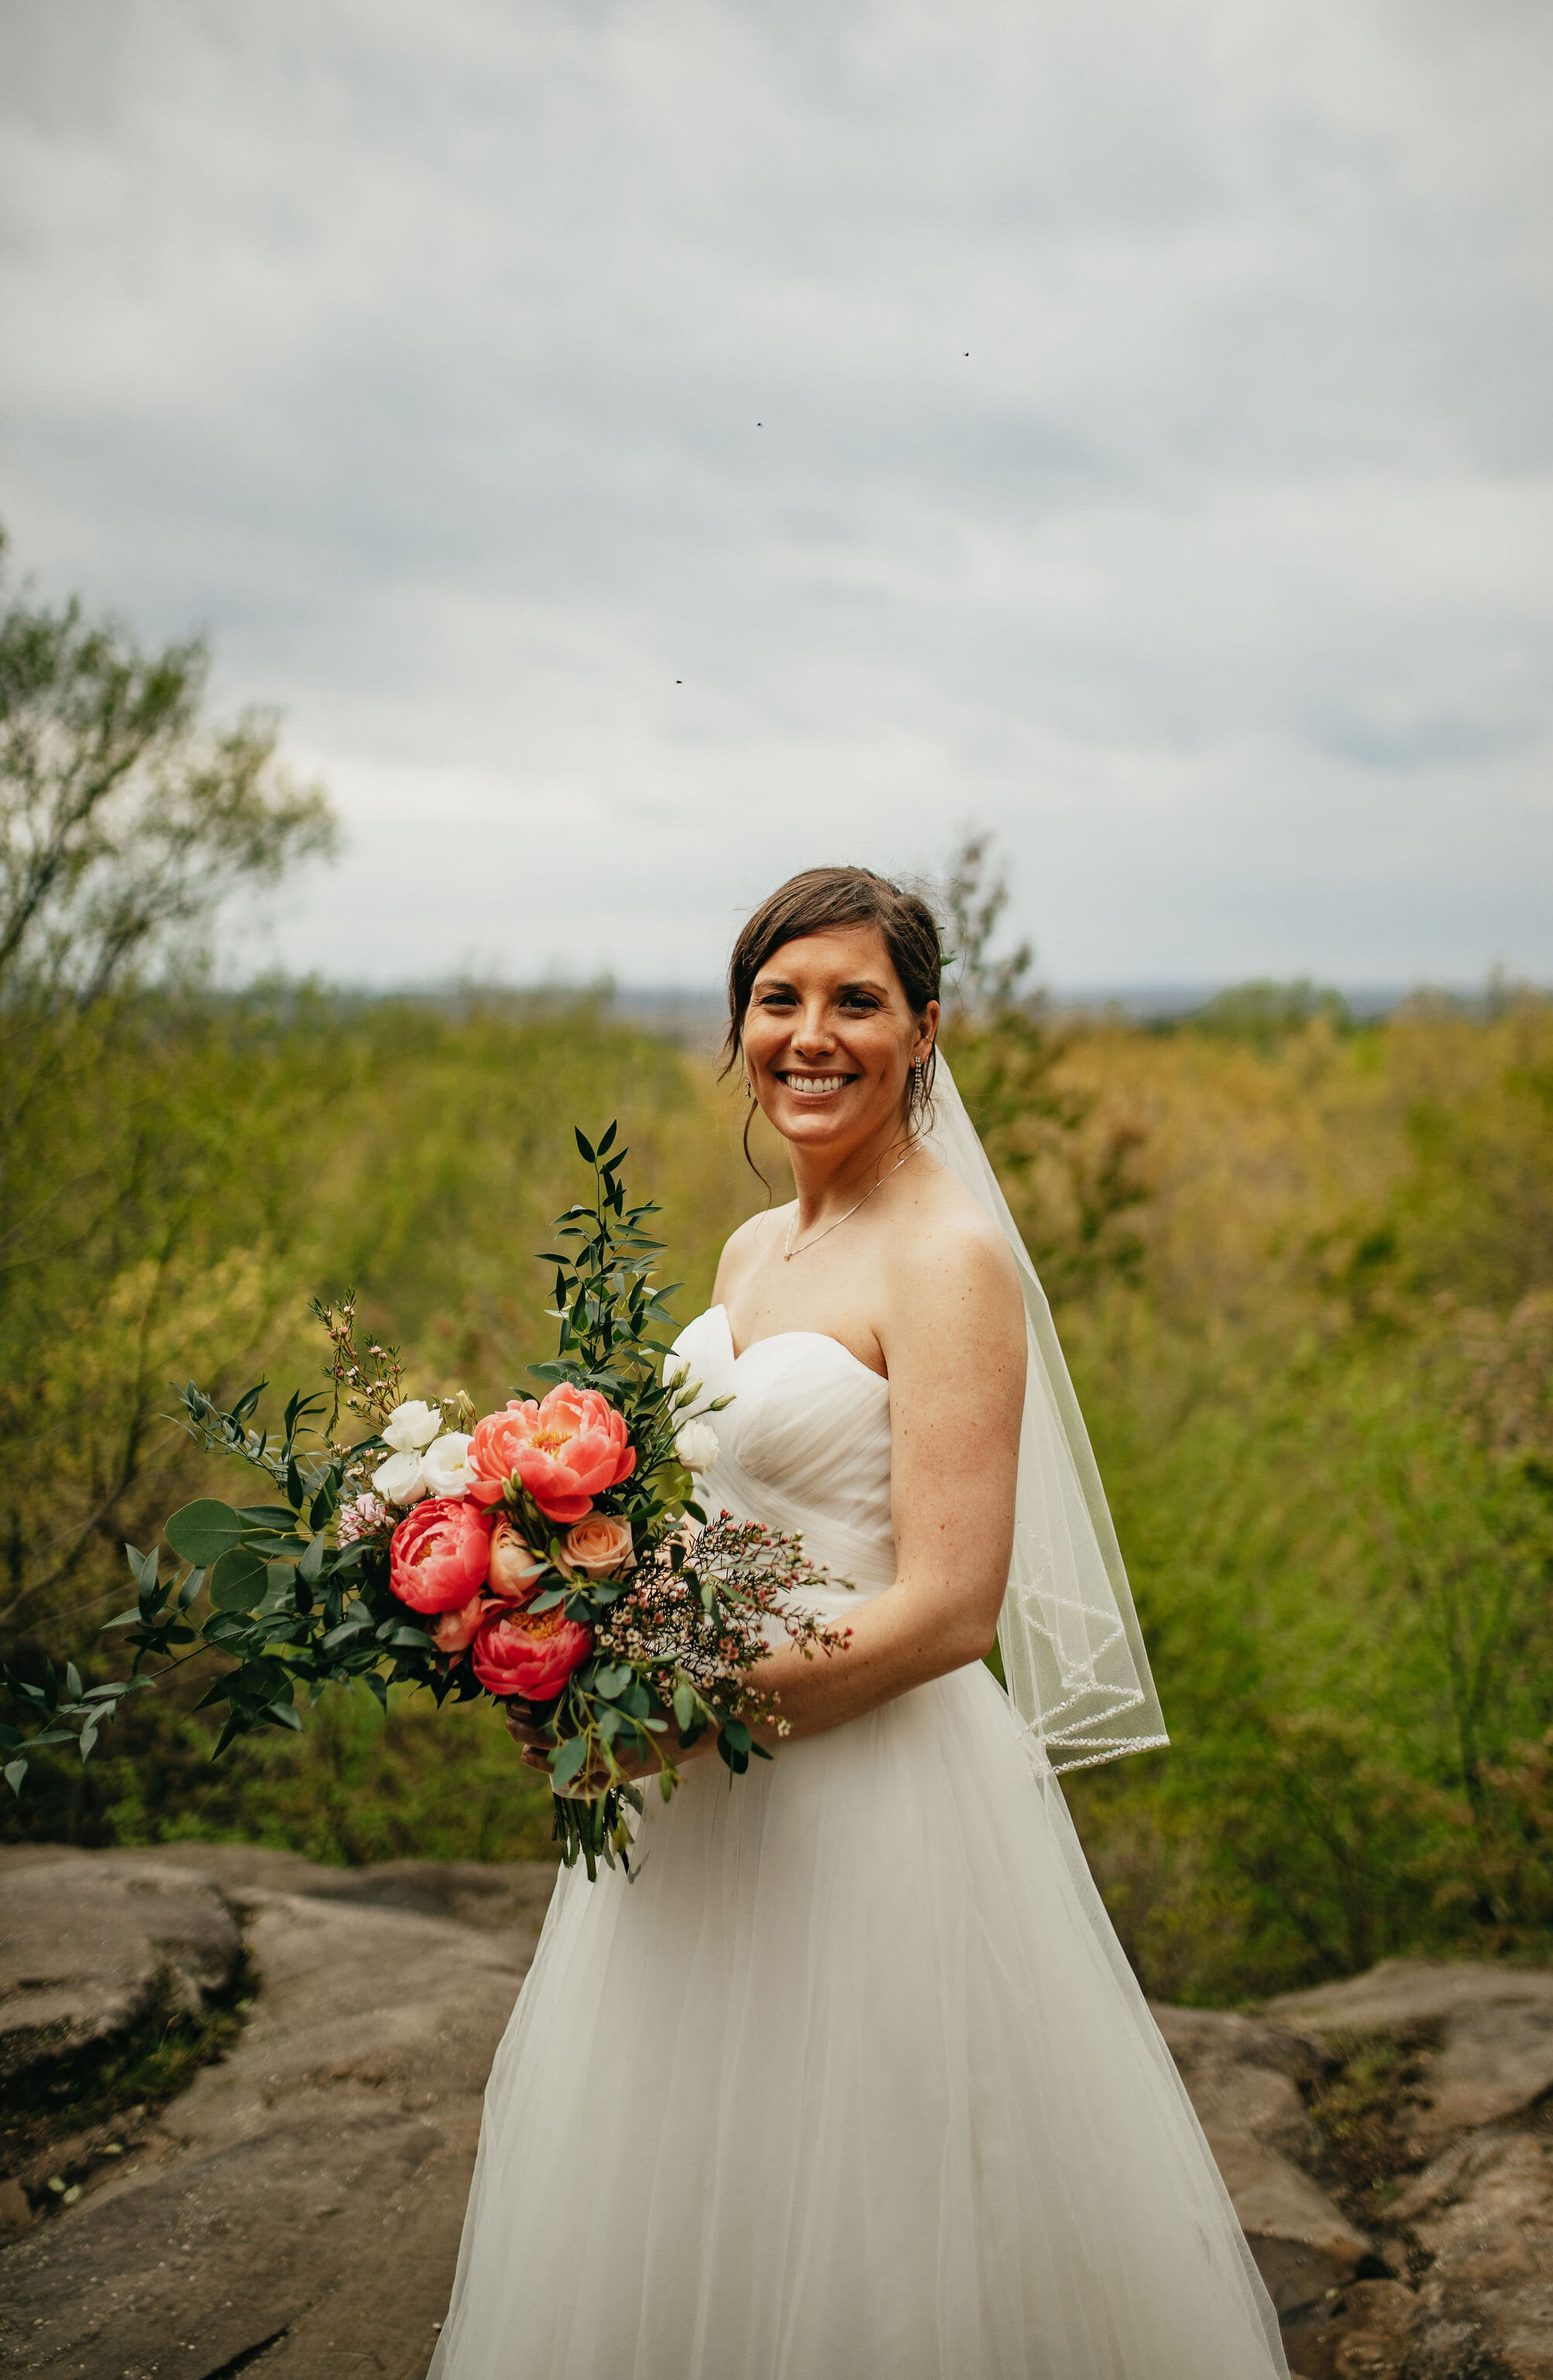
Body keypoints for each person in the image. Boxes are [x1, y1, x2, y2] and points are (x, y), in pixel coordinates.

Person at [429, 866, 1287, 2380]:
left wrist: (696, 1710)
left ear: (925, 1032)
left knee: (880, 2216)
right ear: (740, 1025)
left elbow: (952, 1610)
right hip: (698, 1792)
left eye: (855, 1002)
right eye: (779, 999)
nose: (809, 1035)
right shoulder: (754, 1252)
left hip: (867, 1792)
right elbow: (704, 1518)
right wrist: (564, 1626)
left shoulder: (950, 1260)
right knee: (695, 2168)